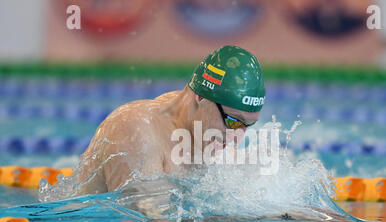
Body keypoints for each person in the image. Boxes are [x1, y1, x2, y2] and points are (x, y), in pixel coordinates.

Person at [75, 45, 266, 195]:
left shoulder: (209, 138)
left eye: (246, 126)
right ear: (201, 97)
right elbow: (143, 217)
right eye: (233, 121)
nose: (236, 138)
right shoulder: (134, 128)